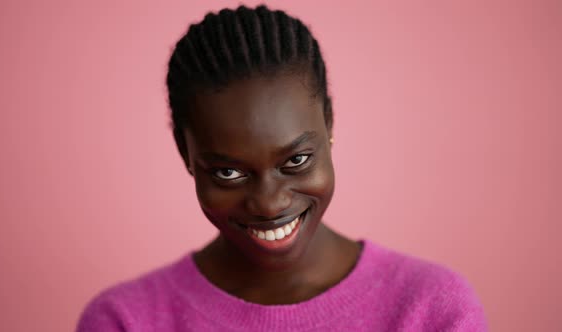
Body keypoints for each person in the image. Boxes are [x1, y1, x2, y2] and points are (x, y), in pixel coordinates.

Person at [76, 5, 487, 331]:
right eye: (229, 173)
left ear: (330, 124)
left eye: (295, 161)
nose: (269, 204)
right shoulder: (124, 321)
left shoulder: (430, 309)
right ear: (185, 153)